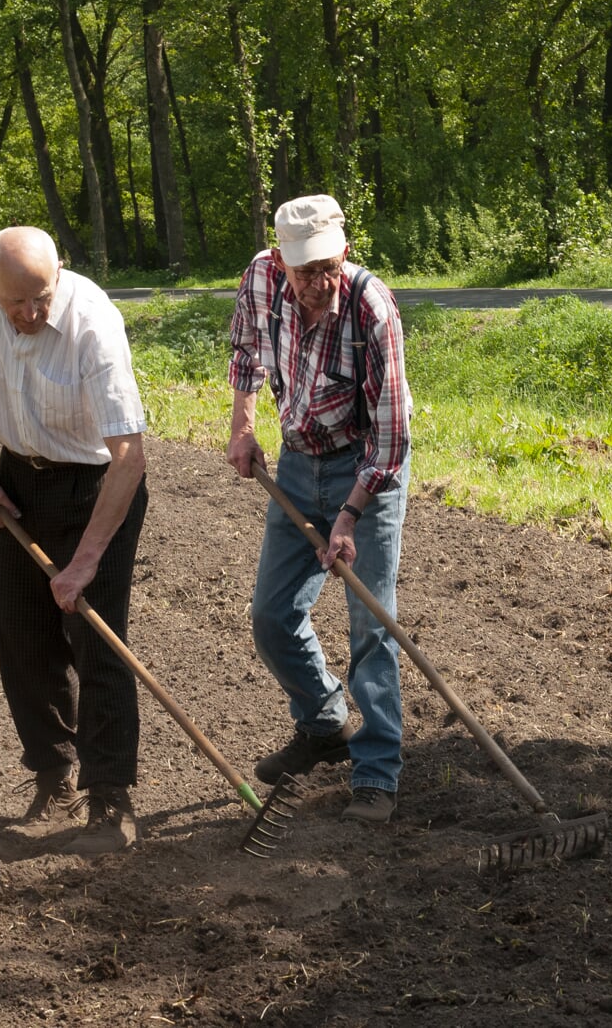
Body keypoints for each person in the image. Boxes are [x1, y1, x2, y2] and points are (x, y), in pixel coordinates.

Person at [0, 226, 150, 853]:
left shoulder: (93, 323)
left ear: (61, 275)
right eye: (16, 303)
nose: (31, 313)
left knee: (97, 638)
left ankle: (110, 798)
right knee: (24, 639)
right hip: (18, 483)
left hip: (97, 486)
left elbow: (129, 456)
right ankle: (53, 779)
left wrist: (83, 564)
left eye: (43, 298)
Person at [226, 194, 413, 824]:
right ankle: (323, 722)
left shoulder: (372, 307)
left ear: (346, 253)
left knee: (371, 623)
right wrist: (243, 427)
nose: (316, 283)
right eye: (304, 271)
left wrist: (350, 516)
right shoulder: (261, 278)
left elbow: (390, 438)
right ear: (281, 260)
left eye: (327, 268)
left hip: (366, 465)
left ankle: (377, 771)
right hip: (298, 459)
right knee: (272, 616)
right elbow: (247, 352)